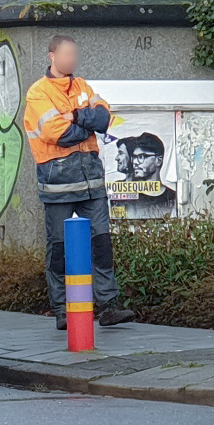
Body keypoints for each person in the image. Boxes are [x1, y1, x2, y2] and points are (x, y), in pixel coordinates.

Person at [23, 34, 135, 331]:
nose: (72, 60)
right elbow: (58, 134)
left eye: (75, 54)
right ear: (51, 56)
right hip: (58, 181)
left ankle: (109, 306)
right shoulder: (38, 93)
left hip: (91, 181)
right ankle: (61, 309)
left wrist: (74, 115)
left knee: (101, 243)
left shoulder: (82, 85)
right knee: (58, 247)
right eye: (67, 54)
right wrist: (86, 126)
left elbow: (104, 118)